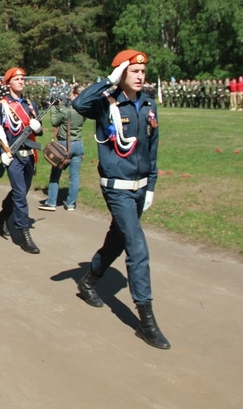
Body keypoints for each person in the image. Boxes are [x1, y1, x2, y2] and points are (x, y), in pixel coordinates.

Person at [72, 49, 169, 350]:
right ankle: (147, 321)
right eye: (134, 71)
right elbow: (78, 104)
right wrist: (108, 81)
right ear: (121, 73)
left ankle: (88, 280)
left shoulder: (148, 104)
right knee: (137, 247)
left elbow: (151, 148)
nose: (141, 76)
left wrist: (151, 185)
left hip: (139, 188)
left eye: (143, 71)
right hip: (117, 187)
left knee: (118, 240)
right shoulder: (105, 103)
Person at [0, 67, 43, 254]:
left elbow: (39, 130)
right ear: (8, 82)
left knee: (20, 191)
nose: (21, 81)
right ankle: (23, 233)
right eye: (17, 79)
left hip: (29, 156)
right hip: (13, 156)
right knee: (20, 194)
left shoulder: (30, 105)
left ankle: (3, 216)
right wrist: (1, 151)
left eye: (22, 78)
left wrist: (37, 127)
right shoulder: (1, 105)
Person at [39, 84, 86, 212]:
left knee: (55, 175)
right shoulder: (84, 111)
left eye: (71, 94)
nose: (69, 96)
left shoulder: (67, 111)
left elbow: (54, 121)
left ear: (76, 95)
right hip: (78, 143)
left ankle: (51, 202)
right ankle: (71, 204)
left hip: (64, 144)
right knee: (74, 176)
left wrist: (54, 107)